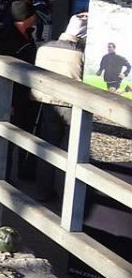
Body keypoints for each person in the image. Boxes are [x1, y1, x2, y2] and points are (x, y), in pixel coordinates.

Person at [32, 13, 87, 201]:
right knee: (72, 150)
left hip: (47, 102)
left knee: (48, 146)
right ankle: (68, 196)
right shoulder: (81, 54)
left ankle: (42, 190)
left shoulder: (45, 48)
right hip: (72, 105)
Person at [0, 0, 39, 178]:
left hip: (27, 94)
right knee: (9, 136)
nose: (36, 19)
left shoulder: (26, 34)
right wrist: (9, 100)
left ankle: (23, 171)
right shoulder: (8, 39)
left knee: (26, 132)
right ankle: (3, 176)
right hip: (12, 95)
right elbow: (4, 71)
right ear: (26, 18)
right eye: (33, 15)